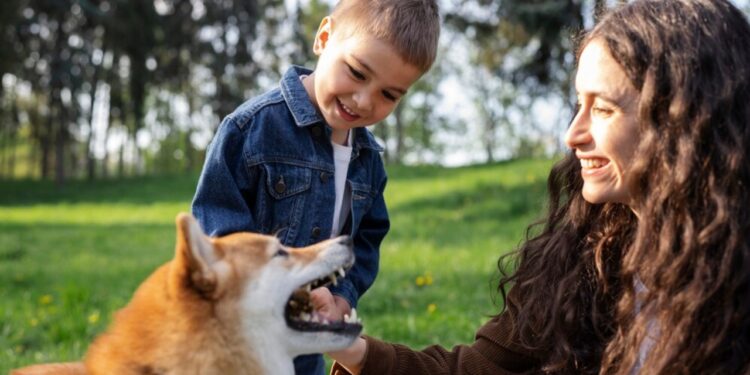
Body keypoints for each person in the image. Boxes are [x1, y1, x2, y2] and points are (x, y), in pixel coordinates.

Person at [327, 0, 750, 373]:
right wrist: (349, 347)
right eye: (578, 104)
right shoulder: (586, 256)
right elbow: (478, 371)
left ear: (683, 121)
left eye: (602, 109)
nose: (573, 134)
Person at [190, 0, 440, 374]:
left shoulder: (368, 160)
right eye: (357, 72)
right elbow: (215, 231)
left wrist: (341, 296)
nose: (363, 100)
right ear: (324, 38)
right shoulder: (251, 130)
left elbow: (365, 242)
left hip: (304, 340)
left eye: (389, 95)